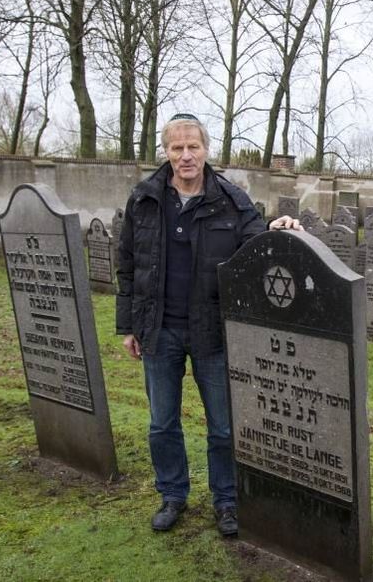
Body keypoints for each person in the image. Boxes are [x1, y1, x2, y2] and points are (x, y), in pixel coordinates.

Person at [116, 113, 300, 536]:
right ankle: (173, 494)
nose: (185, 156)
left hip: (212, 332)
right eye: (177, 148)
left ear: (206, 149)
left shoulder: (232, 201)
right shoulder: (143, 199)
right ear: (165, 152)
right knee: (163, 422)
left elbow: (258, 241)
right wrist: (129, 325)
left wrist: (279, 227)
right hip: (158, 329)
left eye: (193, 147)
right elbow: (127, 264)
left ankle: (227, 501)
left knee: (222, 424)